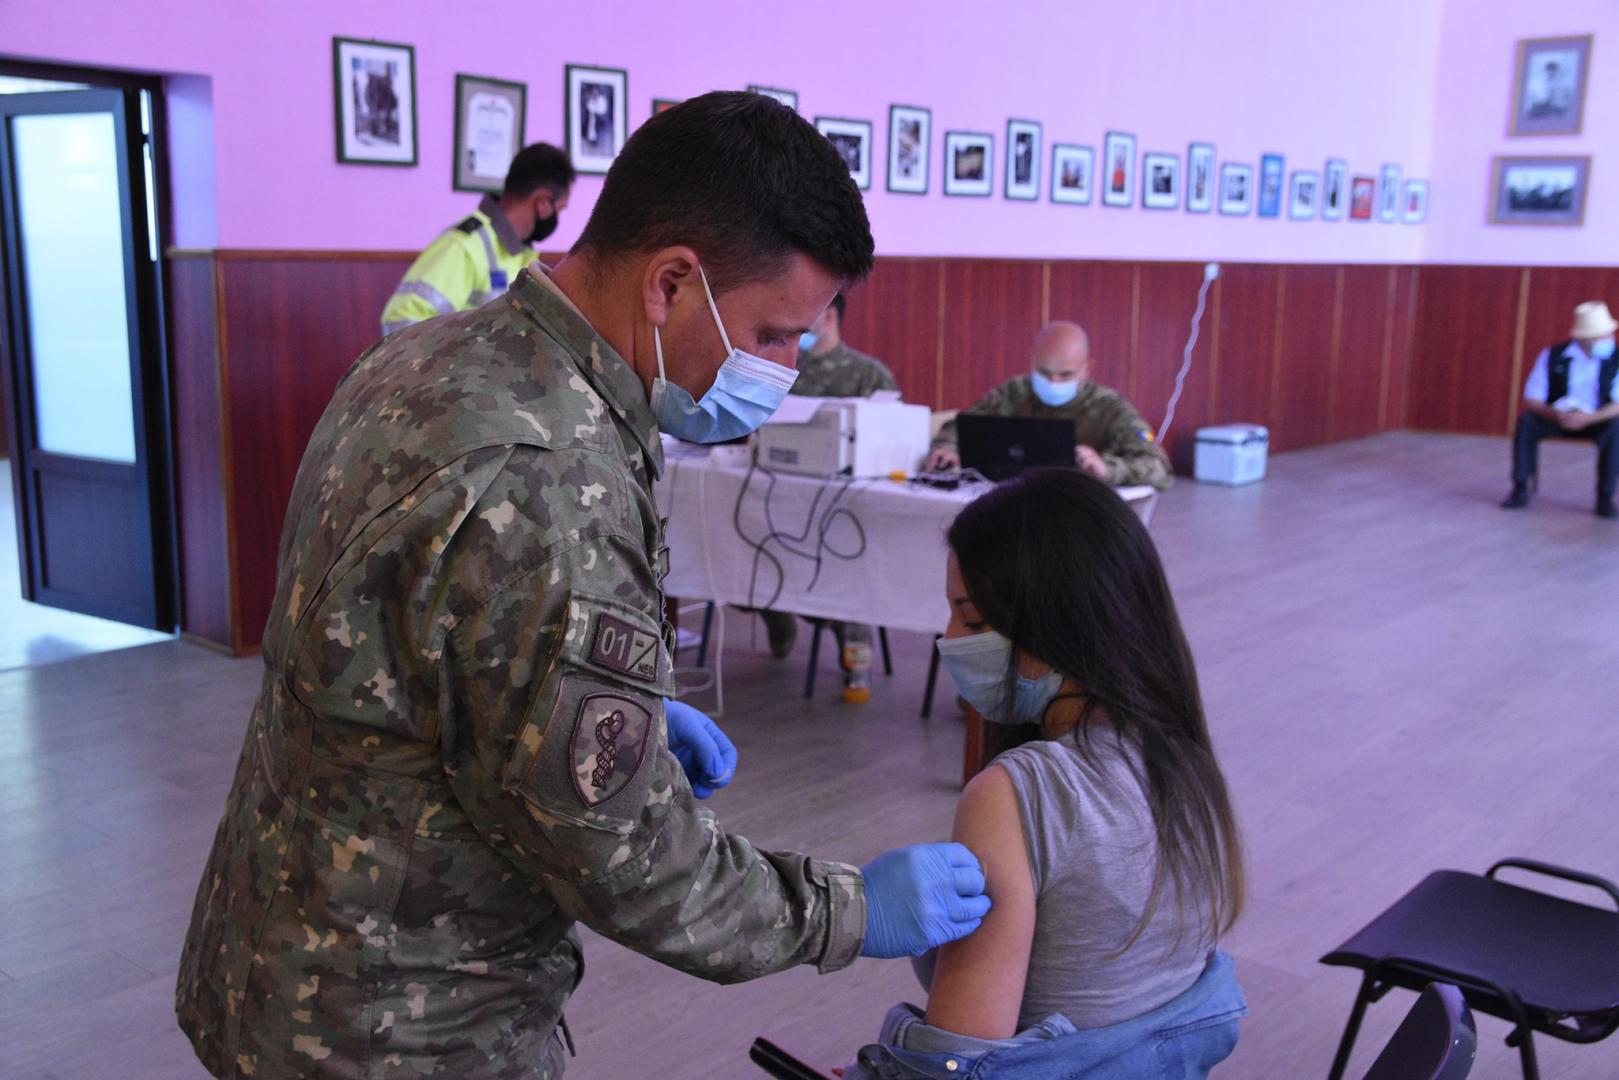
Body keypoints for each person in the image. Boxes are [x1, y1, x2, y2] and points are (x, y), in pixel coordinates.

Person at [175, 92, 990, 1080]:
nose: (782, 371)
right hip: (405, 1024)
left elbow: (403, 659)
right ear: (672, 284)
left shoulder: (426, 359)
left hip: (278, 946)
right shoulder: (550, 479)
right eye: (772, 336)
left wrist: (610, 713)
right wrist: (849, 909)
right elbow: (633, 867)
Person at [844, 468, 1247, 1078]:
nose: (948, 638)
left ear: (1058, 623)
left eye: (973, 621)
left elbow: (960, 1056)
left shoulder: (1015, 794)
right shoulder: (1185, 761)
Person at [759, 292, 899, 662]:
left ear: (831, 316)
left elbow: (891, 438)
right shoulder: (781, 369)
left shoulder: (869, 374)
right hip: (778, 494)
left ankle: (846, 628)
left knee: (844, 551)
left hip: (844, 508)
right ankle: (772, 608)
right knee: (747, 539)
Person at [925, 321, 1172, 491]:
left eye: (1065, 375)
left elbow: (1159, 468)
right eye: (1044, 372)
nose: (1053, 382)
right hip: (1009, 504)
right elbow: (959, 427)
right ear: (1033, 362)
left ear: (1087, 369)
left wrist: (1106, 468)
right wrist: (948, 451)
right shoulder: (1013, 393)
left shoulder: (1110, 409)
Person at [379, 143, 576, 335]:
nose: (558, 217)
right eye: (560, 209)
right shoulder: (464, 246)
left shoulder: (521, 255)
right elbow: (400, 321)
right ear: (543, 202)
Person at [1501, 300, 1619, 518]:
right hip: (1557, 417)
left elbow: (1617, 404)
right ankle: (1520, 487)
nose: (1609, 340)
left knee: (1616, 429)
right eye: (1602, 336)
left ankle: (1606, 496)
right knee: (1526, 422)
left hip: (1597, 418)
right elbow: (1533, 397)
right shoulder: (1553, 355)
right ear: (1585, 339)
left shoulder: (1616, 359)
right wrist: (1557, 414)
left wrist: (1590, 418)